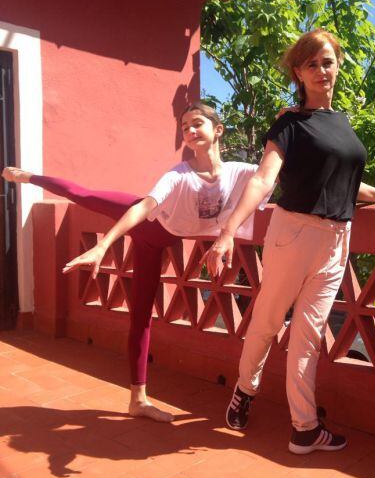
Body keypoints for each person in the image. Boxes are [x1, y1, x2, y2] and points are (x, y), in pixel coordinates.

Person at [204, 29, 375, 454]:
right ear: (299, 71)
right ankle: (245, 389)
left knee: (309, 335)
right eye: (311, 63)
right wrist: (227, 233)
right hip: (294, 232)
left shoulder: (343, 124)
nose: (321, 70)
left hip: (338, 238)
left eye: (328, 61)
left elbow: (343, 181)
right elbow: (264, 179)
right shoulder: (290, 123)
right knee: (267, 320)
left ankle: (304, 427)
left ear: (339, 66)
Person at [2, 102, 271, 423]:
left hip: (158, 244)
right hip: (147, 225)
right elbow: (145, 206)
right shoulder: (179, 174)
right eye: (185, 127)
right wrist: (104, 244)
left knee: (142, 317)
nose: (190, 131)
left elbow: (273, 174)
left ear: (218, 129)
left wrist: (288, 123)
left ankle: (137, 402)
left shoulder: (240, 173)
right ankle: (30, 177)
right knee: (86, 195)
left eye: (197, 123)